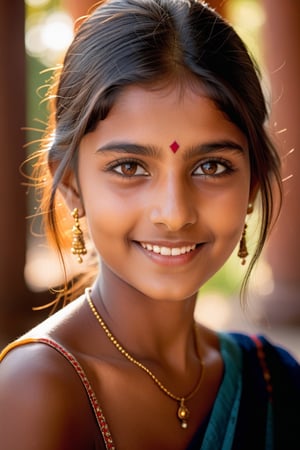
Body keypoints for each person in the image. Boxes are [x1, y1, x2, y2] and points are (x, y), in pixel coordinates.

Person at [0, 0, 299, 449]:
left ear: (253, 183)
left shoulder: (273, 380)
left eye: (212, 167)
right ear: (71, 184)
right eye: (129, 167)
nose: (175, 212)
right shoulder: (37, 390)